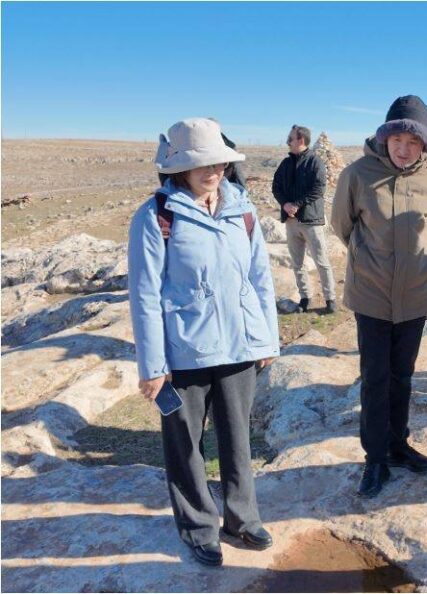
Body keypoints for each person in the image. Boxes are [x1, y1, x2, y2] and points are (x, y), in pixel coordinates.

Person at [129, 118, 279, 567]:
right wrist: (153, 366)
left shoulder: (242, 209)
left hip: (238, 347)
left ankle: (241, 518)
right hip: (182, 354)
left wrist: (267, 338)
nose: (211, 170)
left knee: (237, 438)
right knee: (185, 444)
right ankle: (197, 527)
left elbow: (260, 279)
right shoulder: (157, 215)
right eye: (199, 163)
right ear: (177, 168)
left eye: (217, 161)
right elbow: (144, 293)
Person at [331, 95, 427, 499]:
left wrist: (416, 267)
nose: (404, 148)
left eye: (413, 141)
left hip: (415, 297)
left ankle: (399, 445)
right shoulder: (357, 174)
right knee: (375, 378)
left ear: (424, 145)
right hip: (372, 294)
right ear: (385, 138)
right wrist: (370, 259)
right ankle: (375, 458)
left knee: (403, 376)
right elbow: (343, 226)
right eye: (397, 138)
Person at [272, 124, 337, 314]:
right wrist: (285, 204)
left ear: (300, 140)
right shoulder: (285, 163)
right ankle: (305, 298)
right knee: (297, 263)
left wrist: (297, 204)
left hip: (311, 220)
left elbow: (319, 188)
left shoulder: (315, 162)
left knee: (321, 261)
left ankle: (330, 299)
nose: (287, 141)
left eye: (290, 138)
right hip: (291, 222)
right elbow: (276, 187)